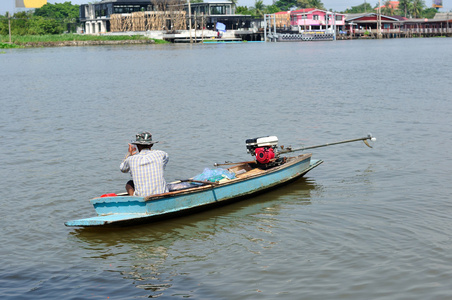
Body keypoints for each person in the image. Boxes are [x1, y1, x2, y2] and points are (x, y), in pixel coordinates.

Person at [120, 131, 169, 197]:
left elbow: (123, 169)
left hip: (142, 197)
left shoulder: (131, 159)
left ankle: (134, 199)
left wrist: (129, 154)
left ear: (137, 145)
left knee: (129, 184)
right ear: (151, 145)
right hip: (162, 195)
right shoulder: (161, 154)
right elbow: (165, 160)